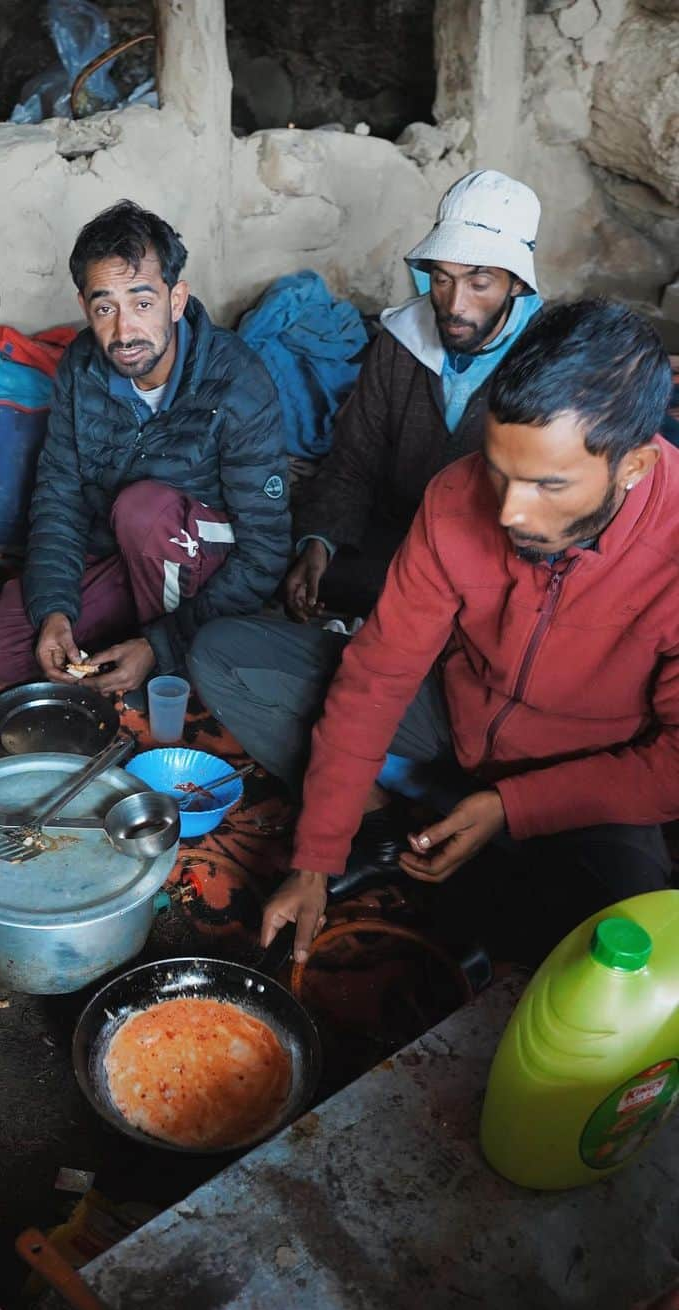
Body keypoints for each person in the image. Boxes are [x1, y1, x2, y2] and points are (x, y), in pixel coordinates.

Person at [256, 299, 677, 964]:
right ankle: (398, 824)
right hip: (454, 723)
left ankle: (472, 835)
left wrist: (513, 805)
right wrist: (316, 857)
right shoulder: (458, 495)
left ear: (633, 468)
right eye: (499, 469)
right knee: (232, 658)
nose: (509, 510)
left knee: (624, 934)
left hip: (584, 778)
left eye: (548, 485)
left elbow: (673, 762)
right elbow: (379, 673)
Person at [189, 169, 544, 778]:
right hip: (399, 543)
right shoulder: (401, 344)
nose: (456, 304)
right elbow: (353, 459)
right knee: (279, 568)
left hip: (495, 572)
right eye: (443, 279)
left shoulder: (547, 364)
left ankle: (396, 724)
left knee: (479, 644)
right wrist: (318, 545)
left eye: (480, 282)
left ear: (515, 282)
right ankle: (380, 711)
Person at [0, 199, 290, 695]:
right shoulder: (82, 366)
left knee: (143, 509)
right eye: (105, 308)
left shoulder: (237, 383)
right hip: (115, 549)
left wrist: (159, 646)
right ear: (85, 309)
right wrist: (54, 609)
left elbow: (265, 550)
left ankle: (167, 663)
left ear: (176, 300)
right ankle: (125, 640)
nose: (123, 331)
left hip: (195, 556)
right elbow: (60, 495)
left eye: (142, 303)